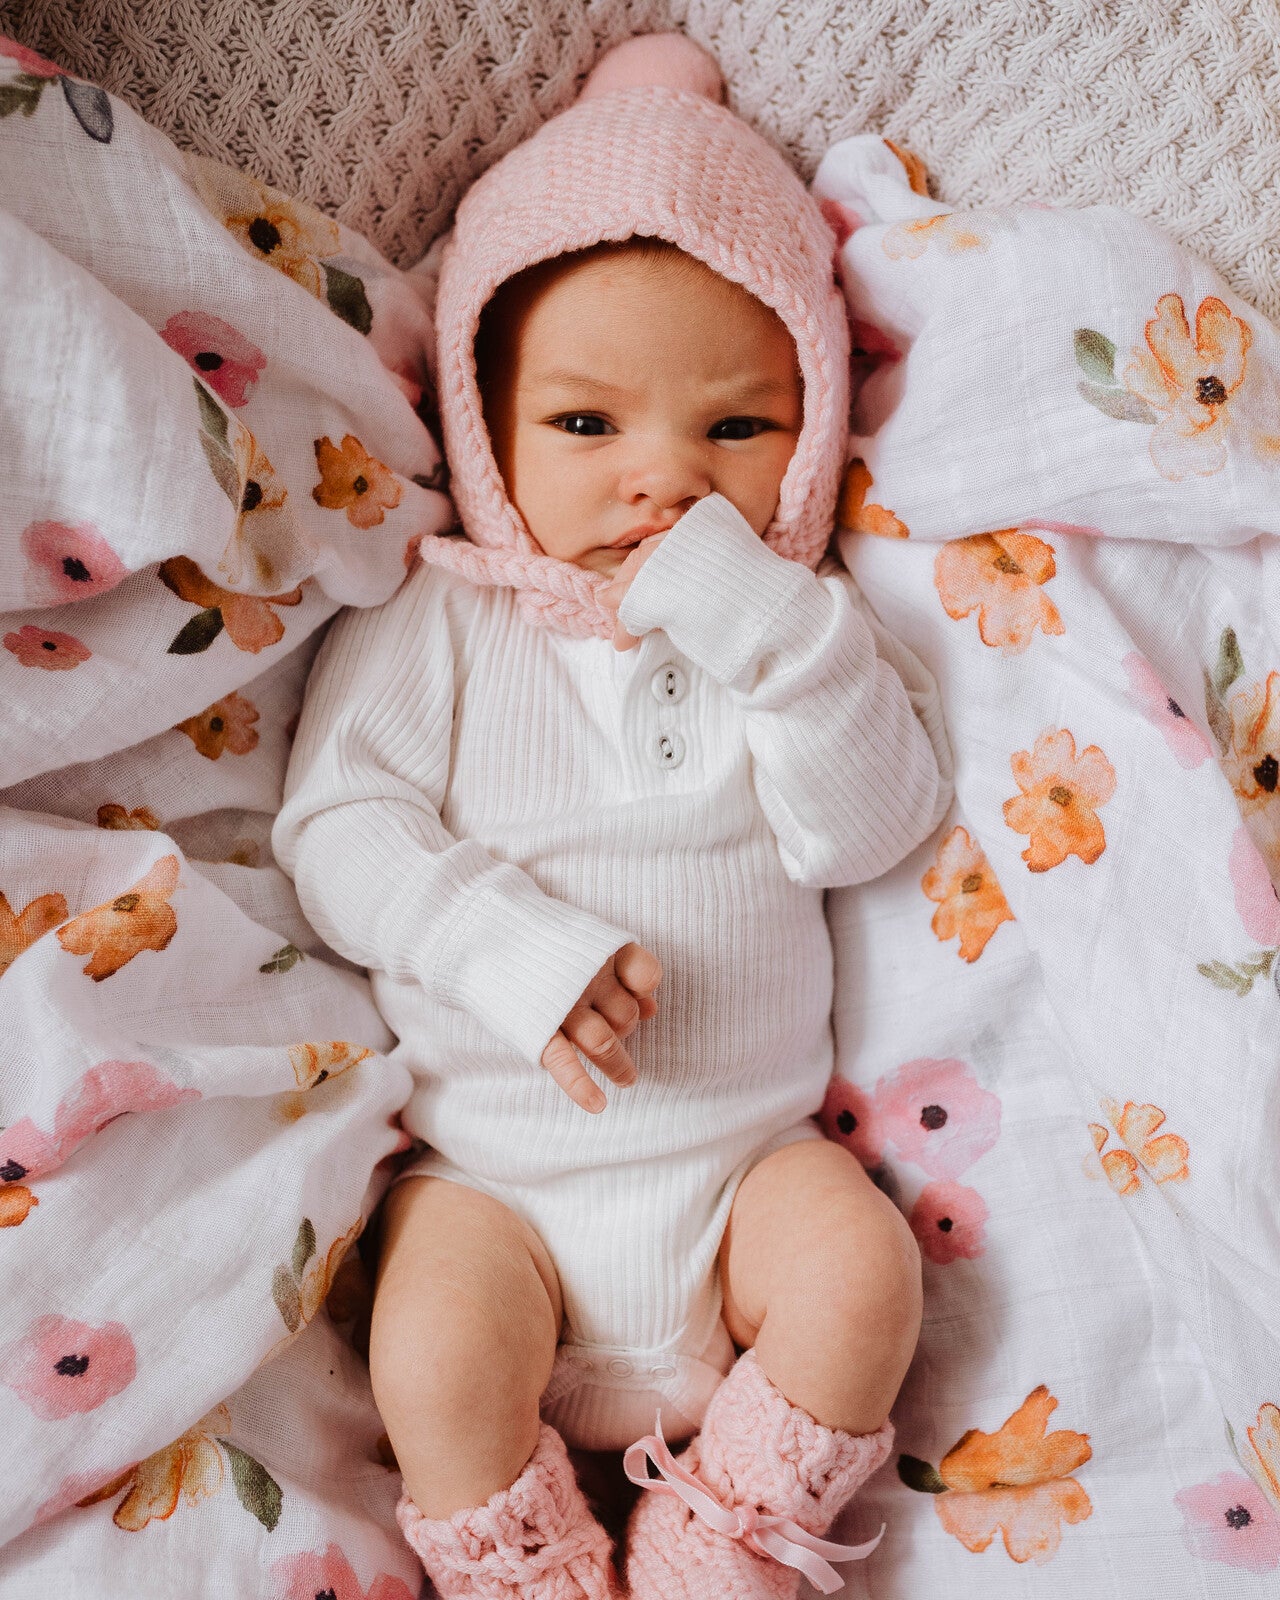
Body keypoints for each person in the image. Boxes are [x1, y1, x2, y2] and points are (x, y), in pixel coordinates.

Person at [274, 32, 951, 1600]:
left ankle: (731, 1532)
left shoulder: (812, 638)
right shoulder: (440, 622)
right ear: (487, 428)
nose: (663, 483)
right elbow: (339, 828)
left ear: (817, 431)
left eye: (734, 431)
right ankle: (521, 1565)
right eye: (588, 429)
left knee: (864, 1273)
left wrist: (773, 630)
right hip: (497, 1185)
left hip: (744, 1181)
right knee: (430, 1353)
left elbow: (865, 835)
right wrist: (501, 941)